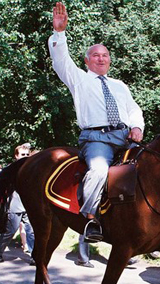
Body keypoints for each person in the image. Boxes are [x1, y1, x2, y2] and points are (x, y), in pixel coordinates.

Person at [49, 2, 145, 243]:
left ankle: (148, 224)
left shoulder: (120, 85)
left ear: (109, 60)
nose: (101, 59)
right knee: (100, 170)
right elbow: (61, 62)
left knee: (152, 167)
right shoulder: (80, 80)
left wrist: (137, 127)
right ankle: (91, 218)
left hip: (124, 137)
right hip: (97, 139)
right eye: (95, 55)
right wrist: (59, 33)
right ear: (87, 60)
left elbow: (133, 109)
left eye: (105, 55)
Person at [0, 145, 35, 264]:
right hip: (14, 206)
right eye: (22, 154)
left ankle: (34, 256)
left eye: (27, 154)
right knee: (10, 231)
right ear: (16, 156)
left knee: (31, 231)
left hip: (29, 206)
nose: (25, 157)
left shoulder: (33, 169)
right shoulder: (10, 169)